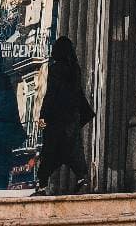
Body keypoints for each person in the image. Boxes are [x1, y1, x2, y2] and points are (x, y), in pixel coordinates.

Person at [33, 35, 94, 196]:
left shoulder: (56, 68)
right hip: (72, 117)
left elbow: (51, 94)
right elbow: (76, 93)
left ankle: (42, 186)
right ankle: (83, 178)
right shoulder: (75, 68)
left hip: (56, 119)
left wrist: (43, 115)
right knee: (73, 149)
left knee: (50, 152)